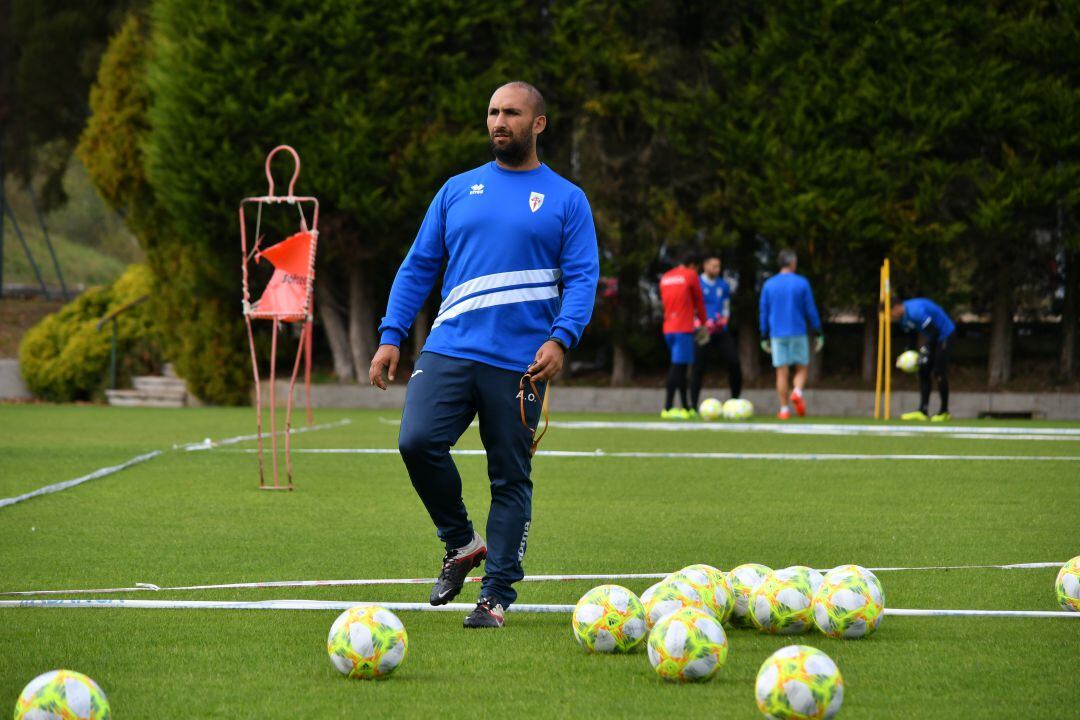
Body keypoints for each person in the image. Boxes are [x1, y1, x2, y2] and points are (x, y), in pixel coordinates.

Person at [369, 81, 599, 629]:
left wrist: (561, 337)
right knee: (416, 441)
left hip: (520, 362)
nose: (500, 121)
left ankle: (495, 596)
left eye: (512, 113)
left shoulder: (567, 198)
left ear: (537, 124)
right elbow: (418, 266)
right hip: (448, 347)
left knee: (508, 477)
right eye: (494, 112)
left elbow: (585, 275)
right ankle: (460, 542)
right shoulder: (456, 189)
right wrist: (390, 335)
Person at [759, 248, 823, 419]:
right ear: (793, 262)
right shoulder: (802, 283)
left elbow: (763, 311)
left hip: (777, 333)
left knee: (781, 372)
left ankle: (784, 409)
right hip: (797, 331)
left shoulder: (769, 284)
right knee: (802, 368)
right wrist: (817, 330)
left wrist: (764, 333)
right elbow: (810, 308)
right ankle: (797, 391)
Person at [690, 255, 743, 408]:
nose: (717, 269)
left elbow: (726, 307)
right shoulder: (696, 283)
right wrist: (700, 323)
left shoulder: (723, 285)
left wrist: (723, 320)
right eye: (714, 266)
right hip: (702, 332)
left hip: (721, 331)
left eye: (719, 266)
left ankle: (735, 402)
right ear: (705, 266)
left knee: (734, 362)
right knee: (698, 367)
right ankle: (693, 405)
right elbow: (692, 307)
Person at [659, 252, 707, 419]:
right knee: (678, 368)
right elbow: (699, 300)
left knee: (679, 368)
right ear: (693, 264)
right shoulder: (690, 275)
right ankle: (668, 407)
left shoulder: (666, 277)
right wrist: (703, 322)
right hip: (683, 328)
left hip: (668, 328)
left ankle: (686, 407)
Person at [892, 298, 955, 421]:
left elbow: (935, 331)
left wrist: (925, 349)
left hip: (945, 334)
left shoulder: (915, 311)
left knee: (938, 371)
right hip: (934, 337)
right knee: (923, 371)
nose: (891, 317)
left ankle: (944, 412)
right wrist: (906, 355)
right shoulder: (903, 319)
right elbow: (911, 337)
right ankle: (923, 411)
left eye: (890, 313)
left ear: (896, 307)